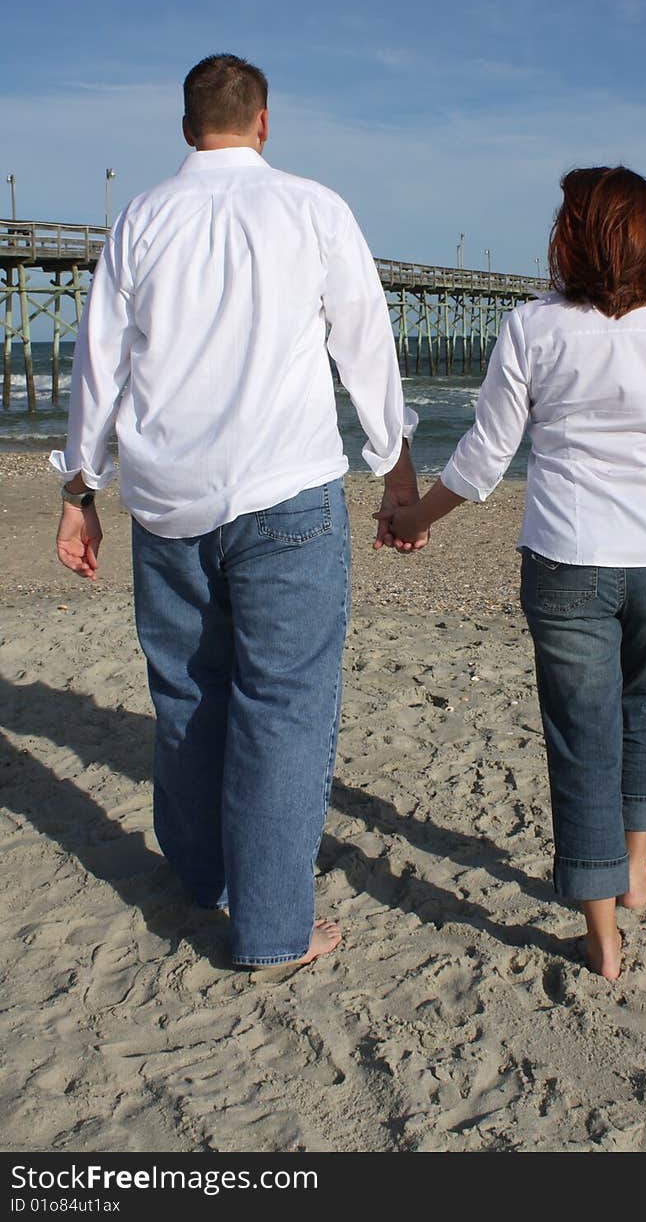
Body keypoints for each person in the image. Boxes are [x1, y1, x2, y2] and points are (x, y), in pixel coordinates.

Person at [51, 53, 423, 970]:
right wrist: (396, 469)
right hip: (285, 492)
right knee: (283, 708)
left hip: (167, 501)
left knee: (187, 693)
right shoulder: (312, 207)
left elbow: (98, 367)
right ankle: (270, 928)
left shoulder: (140, 218)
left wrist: (78, 491)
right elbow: (365, 345)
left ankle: (204, 876)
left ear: (187, 126)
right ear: (264, 121)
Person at [384, 166, 646, 981]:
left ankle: (602, 935)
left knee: (581, 743)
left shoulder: (534, 327)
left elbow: (484, 459)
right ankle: (638, 873)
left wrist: (413, 520)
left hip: (568, 558)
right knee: (645, 709)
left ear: (572, 238)